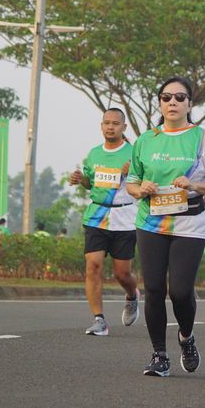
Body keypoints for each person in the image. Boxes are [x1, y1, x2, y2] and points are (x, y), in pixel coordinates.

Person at [126, 76, 205, 377]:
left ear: (189, 104)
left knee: (180, 291)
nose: (173, 102)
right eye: (166, 97)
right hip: (150, 221)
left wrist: (193, 184)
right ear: (159, 103)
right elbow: (131, 183)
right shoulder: (145, 140)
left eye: (180, 98)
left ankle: (186, 336)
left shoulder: (202, 138)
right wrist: (141, 189)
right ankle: (159, 355)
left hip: (190, 221)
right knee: (154, 289)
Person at [69, 108, 139, 336]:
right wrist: (81, 179)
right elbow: (91, 183)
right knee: (93, 265)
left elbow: (146, 181)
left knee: (122, 274)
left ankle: (132, 295)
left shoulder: (134, 153)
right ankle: (99, 320)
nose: (110, 127)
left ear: (123, 127)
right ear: (101, 126)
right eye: (107, 123)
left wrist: (133, 173)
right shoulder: (94, 154)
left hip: (125, 218)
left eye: (115, 123)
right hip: (97, 216)